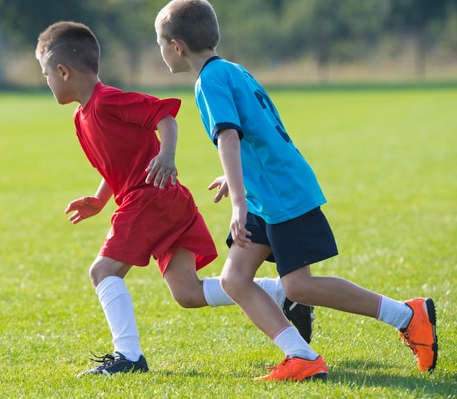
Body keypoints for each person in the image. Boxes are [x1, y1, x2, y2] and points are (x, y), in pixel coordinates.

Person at [153, 0, 438, 382]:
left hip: (279, 195)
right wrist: (239, 179)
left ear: (176, 46)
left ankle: (407, 316)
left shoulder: (208, 81)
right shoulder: (233, 70)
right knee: (235, 279)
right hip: (268, 191)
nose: (160, 52)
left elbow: (230, 137)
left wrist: (238, 201)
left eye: (159, 43)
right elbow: (259, 133)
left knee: (298, 285)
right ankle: (300, 356)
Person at [35, 21, 313, 376]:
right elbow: (116, 163)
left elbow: (164, 116)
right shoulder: (81, 117)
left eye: (46, 75)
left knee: (102, 271)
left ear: (63, 70)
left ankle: (129, 357)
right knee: (187, 293)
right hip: (164, 201)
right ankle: (281, 293)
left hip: (149, 199)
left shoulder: (108, 100)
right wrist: (100, 198)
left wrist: (167, 154)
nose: (47, 82)